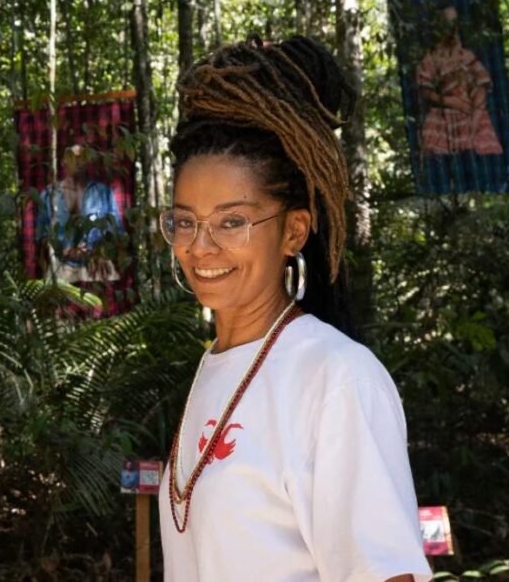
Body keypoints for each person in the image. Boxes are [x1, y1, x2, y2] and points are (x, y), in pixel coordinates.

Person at [158, 35, 432, 581]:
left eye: (232, 221)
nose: (200, 245)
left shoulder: (337, 380)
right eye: (185, 220)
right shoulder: (215, 365)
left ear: (294, 231)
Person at [415, 5, 503, 156]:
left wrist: (474, 121)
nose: (451, 28)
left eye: (454, 23)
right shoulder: (432, 58)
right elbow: (425, 90)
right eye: (446, 23)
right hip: (443, 119)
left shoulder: (467, 56)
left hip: (474, 116)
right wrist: (450, 101)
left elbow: (482, 86)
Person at [35, 144, 125, 283]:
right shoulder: (49, 194)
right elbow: (41, 235)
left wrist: (100, 251)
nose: (77, 162)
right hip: (61, 269)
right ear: (63, 162)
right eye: (72, 157)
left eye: (82, 158)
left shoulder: (103, 192)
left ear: (88, 161)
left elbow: (116, 231)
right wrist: (63, 251)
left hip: (96, 269)